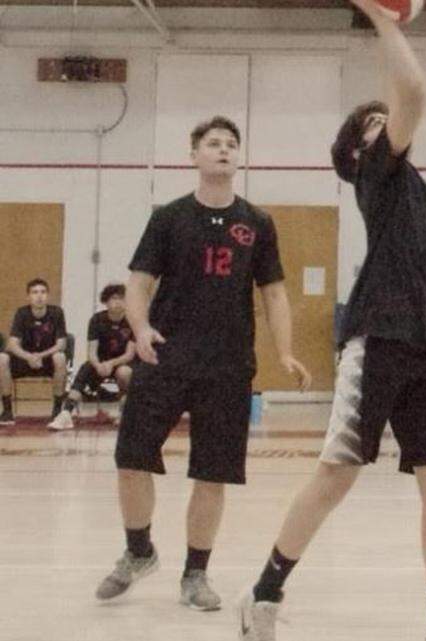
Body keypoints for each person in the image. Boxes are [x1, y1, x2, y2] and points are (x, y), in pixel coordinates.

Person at [237, 4, 426, 640]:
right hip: (379, 340)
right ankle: (263, 594)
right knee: (337, 476)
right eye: (377, 124)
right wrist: (384, 18)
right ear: (360, 148)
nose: (391, 126)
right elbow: (412, 90)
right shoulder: (377, 176)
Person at [94, 115, 312, 611]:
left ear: (239, 158)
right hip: (165, 356)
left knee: (211, 474)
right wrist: (142, 327)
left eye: (231, 144)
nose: (223, 150)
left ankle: (195, 574)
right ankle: (138, 550)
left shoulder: (257, 223)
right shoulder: (169, 217)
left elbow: (274, 293)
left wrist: (284, 350)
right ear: (193, 155)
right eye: (213, 143)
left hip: (228, 365)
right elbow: (138, 283)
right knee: (130, 459)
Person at [48, 283, 136, 430]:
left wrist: (111, 364)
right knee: (85, 369)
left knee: (125, 372)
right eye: (113, 299)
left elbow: (130, 354)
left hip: (122, 363)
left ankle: (125, 411)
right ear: (106, 301)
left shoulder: (132, 321)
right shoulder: (97, 320)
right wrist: (98, 365)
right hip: (100, 363)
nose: (117, 302)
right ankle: (66, 413)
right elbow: (92, 352)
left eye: (121, 299)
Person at [0, 278, 68, 425]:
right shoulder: (22, 313)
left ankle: (57, 410)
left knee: (60, 357)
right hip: (24, 361)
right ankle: (7, 411)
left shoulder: (56, 313)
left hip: (47, 361)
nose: (39, 296)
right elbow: (12, 344)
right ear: (28, 296)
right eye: (35, 292)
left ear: (48, 295)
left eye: (43, 292)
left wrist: (40, 356)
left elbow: (61, 344)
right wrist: (29, 357)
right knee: (2, 359)